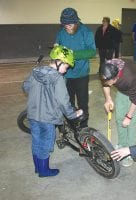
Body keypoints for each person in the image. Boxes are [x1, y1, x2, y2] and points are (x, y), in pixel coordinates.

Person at [22, 46, 84, 177]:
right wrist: (73, 115)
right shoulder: (58, 79)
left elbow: (25, 86)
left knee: (36, 140)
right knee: (46, 143)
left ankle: (38, 168)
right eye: (66, 67)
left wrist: (38, 94)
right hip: (48, 118)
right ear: (59, 62)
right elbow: (63, 101)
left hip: (33, 115)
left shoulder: (35, 72)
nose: (66, 70)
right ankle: (44, 171)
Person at [99, 58, 136, 167]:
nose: (109, 84)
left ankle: (131, 152)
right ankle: (122, 144)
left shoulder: (130, 78)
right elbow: (105, 84)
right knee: (119, 118)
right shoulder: (105, 70)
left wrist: (129, 117)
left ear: (117, 77)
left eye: (110, 82)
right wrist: (108, 99)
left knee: (130, 123)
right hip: (124, 89)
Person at [55, 7, 96, 128]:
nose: (67, 27)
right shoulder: (61, 33)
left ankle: (84, 127)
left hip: (81, 74)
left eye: (70, 24)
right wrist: (56, 48)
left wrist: (73, 54)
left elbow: (92, 52)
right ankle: (72, 125)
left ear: (76, 21)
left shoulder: (86, 32)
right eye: (65, 24)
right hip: (66, 75)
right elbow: (57, 46)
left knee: (83, 102)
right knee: (68, 103)